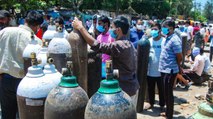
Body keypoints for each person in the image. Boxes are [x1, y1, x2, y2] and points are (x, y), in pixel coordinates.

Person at [72, 16, 140, 105]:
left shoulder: (119, 45)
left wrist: (81, 28)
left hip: (125, 91)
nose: (110, 30)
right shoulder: (129, 44)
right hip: (133, 87)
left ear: (118, 30)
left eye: (112, 27)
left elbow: (96, 45)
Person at [0, 11, 43, 119]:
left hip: (4, 79)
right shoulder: (36, 42)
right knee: (23, 114)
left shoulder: (4, 32)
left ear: (25, 20)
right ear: (38, 26)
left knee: (6, 113)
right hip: (24, 83)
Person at [159, 20, 183, 119]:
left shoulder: (175, 40)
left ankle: (169, 115)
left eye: (165, 27)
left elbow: (179, 56)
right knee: (165, 92)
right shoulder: (167, 38)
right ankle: (168, 111)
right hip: (164, 70)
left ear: (172, 28)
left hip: (170, 70)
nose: (163, 29)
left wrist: (177, 66)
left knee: (168, 94)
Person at [145, 23, 165, 111]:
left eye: (155, 29)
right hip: (150, 70)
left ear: (160, 31)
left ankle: (162, 105)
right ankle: (151, 103)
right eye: (152, 29)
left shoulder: (164, 41)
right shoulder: (149, 41)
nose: (153, 31)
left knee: (161, 89)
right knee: (150, 88)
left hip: (161, 70)